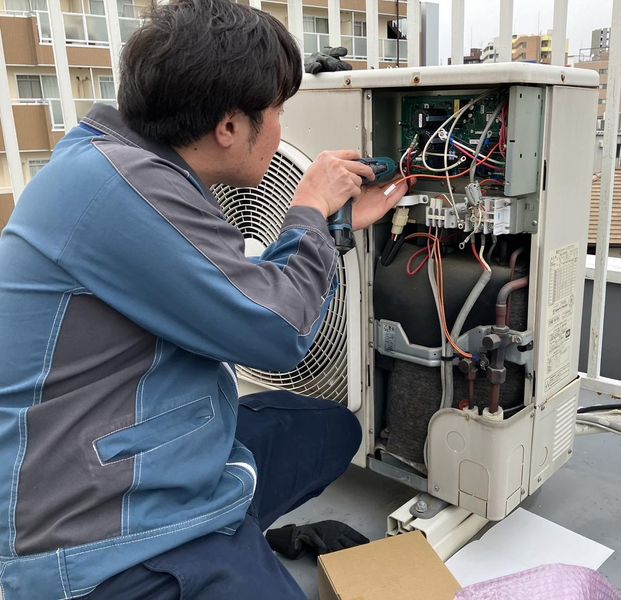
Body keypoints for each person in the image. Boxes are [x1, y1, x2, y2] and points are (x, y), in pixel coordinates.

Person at [0, 0, 408, 598]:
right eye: (278, 111)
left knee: (330, 431)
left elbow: (238, 293)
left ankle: (230, 528)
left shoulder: (119, 166)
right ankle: (211, 545)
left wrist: (330, 227)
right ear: (229, 127)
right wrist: (309, 208)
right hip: (90, 532)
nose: (281, 129)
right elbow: (277, 331)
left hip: (141, 440)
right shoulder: (124, 192)